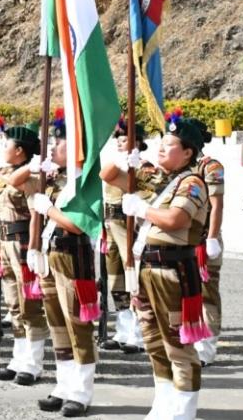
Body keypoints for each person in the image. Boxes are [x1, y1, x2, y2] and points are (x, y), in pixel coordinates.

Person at [102, 112, 212, 419]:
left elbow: (176, 220)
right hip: (147, 266)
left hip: (173, 269)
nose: (161, 150)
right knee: (152, 340)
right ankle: (164, 401)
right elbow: (108, 176)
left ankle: (185, 409)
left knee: (177, 343)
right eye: (160, 144)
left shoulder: (191, 183)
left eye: (170, 145)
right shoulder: (154, 179)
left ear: (188, 152)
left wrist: (143, 209)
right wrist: (124, 157)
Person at [31, 113, 98, 417]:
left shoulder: (85, 183)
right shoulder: (58, 179)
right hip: (52, 254)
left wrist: (49, 210)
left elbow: (79, 225)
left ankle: (81, 392)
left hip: (73, 257)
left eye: (59, 141)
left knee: (77, 325)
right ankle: (63, 385)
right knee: (57, 324)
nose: (52, 147)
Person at [0, 124, 48, 385]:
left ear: (20, 151)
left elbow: (36, 214)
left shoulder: (31, 178)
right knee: (14, 304)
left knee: (30, 306)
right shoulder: (4, 172)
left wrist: (35, 247)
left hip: (23, 242)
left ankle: (33, 363)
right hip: (5, 242)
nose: (4, 149)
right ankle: (18, 358)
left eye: (8, 145)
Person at [101, 119, 152, 353]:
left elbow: (147, 195)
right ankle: (122, 329)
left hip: (129, 223)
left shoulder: (143, 165)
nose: (121, 144)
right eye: (119, 140)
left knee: (133, 274)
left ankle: (139, 333)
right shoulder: (115, 163)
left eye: (126, 140)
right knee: (115, 278)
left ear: (138, 143)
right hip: (111, 223)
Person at [192, 122, 225, 366]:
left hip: (203, 240)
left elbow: (216, 205)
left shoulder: (210, 166)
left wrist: (212, 237)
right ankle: (190, 339)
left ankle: (206, 346)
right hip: (182, 240)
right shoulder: (179, 167)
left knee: (206, 295)